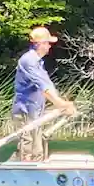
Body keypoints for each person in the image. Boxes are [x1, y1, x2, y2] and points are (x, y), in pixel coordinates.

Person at [11, 25, 77, 162]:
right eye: (47, 43)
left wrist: (61, 103)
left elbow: (48, 86)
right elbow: (43, 87)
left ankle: (34, 173)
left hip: (34, 111)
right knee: (28, 150)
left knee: (38, 152)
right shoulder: (28, 61)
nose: (50, 46)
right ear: (39, 44)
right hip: (25, 111)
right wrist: (60, 104)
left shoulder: (38, 62)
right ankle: (22, 175)